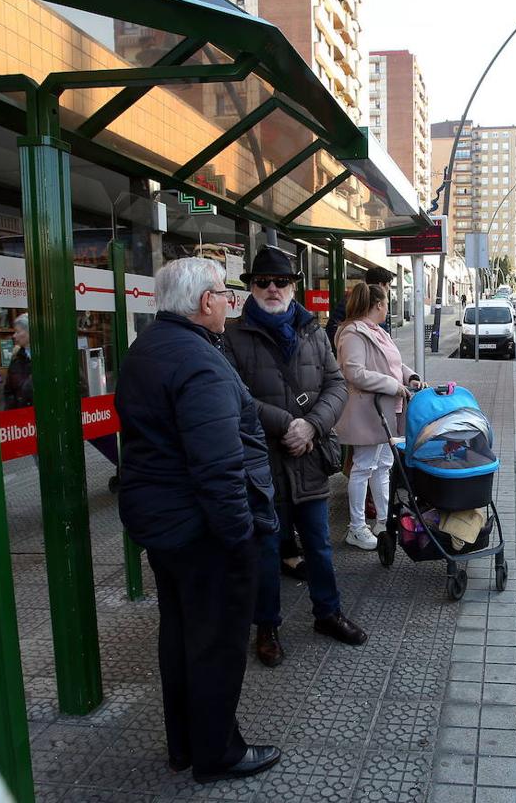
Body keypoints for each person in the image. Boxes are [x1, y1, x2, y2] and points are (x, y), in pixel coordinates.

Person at [115, 257, 280, 784]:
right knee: (214, 647)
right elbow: (218, 466)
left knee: (182, 636)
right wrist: (238, 538)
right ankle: (218, 754)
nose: (230, 302)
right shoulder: (200, 362)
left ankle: (184, 744)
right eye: (223, 293)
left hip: (163, 523)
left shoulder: (149, 347)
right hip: (203, 529)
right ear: (205, 302)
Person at [223, 246, 367, 669]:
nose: (272, 289)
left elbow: (337, 385)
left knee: (320, 546)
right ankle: (266, 627)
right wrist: (288, 423)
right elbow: (235, 397)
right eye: (263, 282)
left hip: (307, 458)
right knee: (267, 550)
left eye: (280, 282)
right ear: (251, 286)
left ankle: (328, 613)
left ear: (293, 287)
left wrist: (313, 426)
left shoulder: (313, 331)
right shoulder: (233, 336)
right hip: (262, 461)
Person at [334, 283, 421, 548]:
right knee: (363, 468)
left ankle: (384, 520)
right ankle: (356, 528)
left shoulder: (378, 332)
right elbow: (354, 372)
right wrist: (394, 385)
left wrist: (410, 377)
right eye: (386, 304)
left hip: (386, 410)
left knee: (383, 466)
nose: (388, 308)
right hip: (366, 412)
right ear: (379, 305)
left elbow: (394, 363)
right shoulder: (352, 332)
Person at [2, 314, 33, 409]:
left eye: (17, 332)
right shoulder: (16, 359)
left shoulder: (49, 357)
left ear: (29, 332)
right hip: (22, 419)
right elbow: (8, 392)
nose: (14, 336)